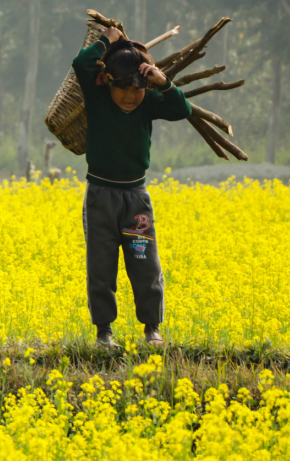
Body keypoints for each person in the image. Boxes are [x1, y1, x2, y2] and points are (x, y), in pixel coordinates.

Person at [71, 27, 192, 348]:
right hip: (100, 197)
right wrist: (107, 41)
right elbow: (82, 63)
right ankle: (103, 333)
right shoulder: (97, 99)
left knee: (145, 263)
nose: (130, 96)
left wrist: (162, 82)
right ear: (106, 82)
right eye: (122, 88)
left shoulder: (150, 103)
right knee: (101, 265)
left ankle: (152, 328)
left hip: (136, 200)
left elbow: (183, 110)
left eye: (137, 89)